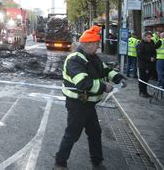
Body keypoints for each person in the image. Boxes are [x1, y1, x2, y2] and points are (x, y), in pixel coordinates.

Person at [54, 25, 127, 170]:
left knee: (95, 133)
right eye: (96, 44)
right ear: (87, 44)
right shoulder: (75, 59)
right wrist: (104, 87)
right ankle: (59, 163)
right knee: (72, 135)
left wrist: (117, 77)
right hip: (77, 104)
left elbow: (104, 70)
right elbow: (83, 83)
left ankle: (97, 162)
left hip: (88, 103)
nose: (98, 47)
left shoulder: (92, 57)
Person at [136, 31, 157, 98]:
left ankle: (145, 92)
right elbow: (139, 55)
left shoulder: (151, 43)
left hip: (150, 65)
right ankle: (142, 92)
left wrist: (154, 57)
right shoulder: (140, 45)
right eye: (148, 37)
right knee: (142, 79)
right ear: (144, 37)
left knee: (147, 79)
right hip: (143, 65)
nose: (150, 38)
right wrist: (149, 59)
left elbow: (154, 51)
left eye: (150, 37)